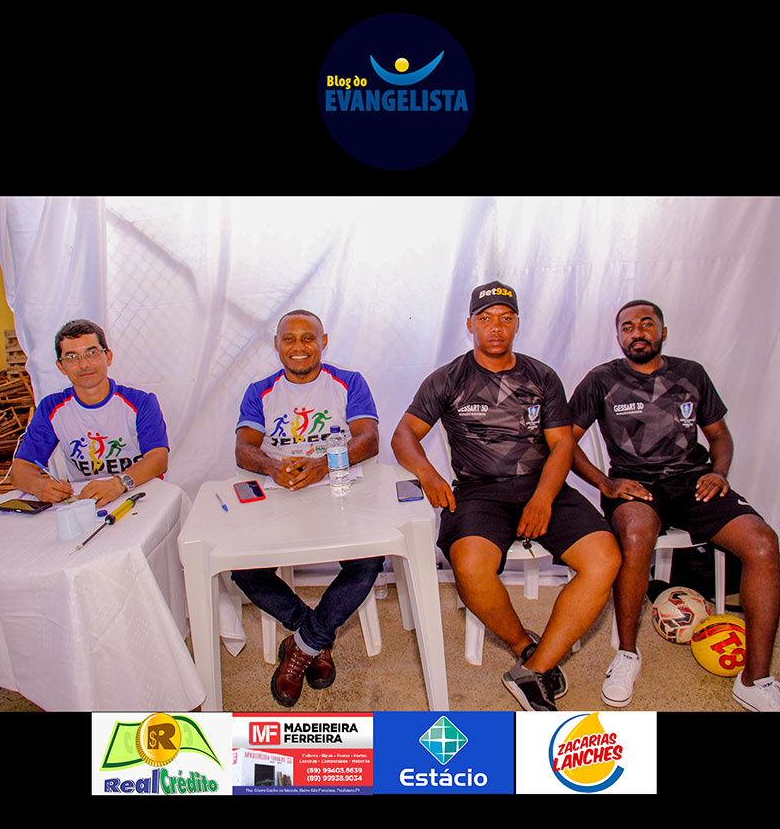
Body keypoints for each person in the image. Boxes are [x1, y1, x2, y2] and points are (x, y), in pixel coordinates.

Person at [391, 281, 621, 711]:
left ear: (517, 323)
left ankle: (534, 670)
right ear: (470, 325)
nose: (495, 327)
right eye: (485, 318)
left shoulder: (541, 375)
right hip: (479, 492)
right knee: (470, 565)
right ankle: (524, 647)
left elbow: (562, 444)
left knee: (605, 559)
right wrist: (428, 474)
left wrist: (544, 498)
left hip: (544, 485)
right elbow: (404, 434)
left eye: (505, 318)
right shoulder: (447, 378)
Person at [569, 300, 780, 712]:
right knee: (636, 535)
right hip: (636, 484)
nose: (637, 332)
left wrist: (718, 472)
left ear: (663, 331)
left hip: (692, 481)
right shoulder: (601, 379)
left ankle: (755, 679)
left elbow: (719, 435)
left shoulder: (691, 374)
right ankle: (627, 655)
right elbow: (564, 441)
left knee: (763, 544)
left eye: (647, 323)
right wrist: (605, 483)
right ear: (618, 337)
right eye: (627, 326)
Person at [231, 309, 385, 708]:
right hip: (281, 493)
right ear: (277, 344)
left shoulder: (349, 381)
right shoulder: (260, 390)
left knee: (369, 559)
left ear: (323, 342)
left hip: (337, 491)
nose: (298, 347)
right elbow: (244, 449)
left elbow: (369, 440)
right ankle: (314, 636)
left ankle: (301, 646)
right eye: (289, 339)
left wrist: (324, 464)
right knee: (242, 566)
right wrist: (272, 466)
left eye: (308, 338)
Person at [12, 319, 169, 507]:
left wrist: (119, 483)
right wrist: (39, 486)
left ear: (108, 357)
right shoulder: (51, 408)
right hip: (86, 503)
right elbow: (20, 469)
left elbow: (158, 458)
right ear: (61, 366)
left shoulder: (141, 402)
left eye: (92, 353)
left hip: (139, 497)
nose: (84, 364)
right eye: (72, 357)